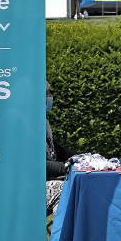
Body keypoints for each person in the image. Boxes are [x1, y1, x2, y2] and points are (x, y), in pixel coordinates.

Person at [46, 81, 75, 213]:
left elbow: (58, 150)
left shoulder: (43, 123)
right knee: (66, 190)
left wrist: (80, 159)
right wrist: (65, 167)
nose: (50, 96)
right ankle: (62, 234)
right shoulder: (20, 125)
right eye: (46, 93)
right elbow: (34, 165)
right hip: (25, 189)